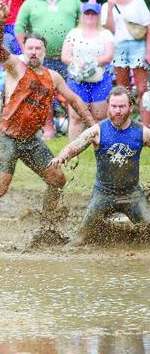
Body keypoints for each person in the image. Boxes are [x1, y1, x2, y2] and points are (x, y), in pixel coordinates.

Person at [0, 2, 95, 226]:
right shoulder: (15, 66)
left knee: (57, 179)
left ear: (44, 52)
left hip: (32, 141)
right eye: (30, 49)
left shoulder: (53, 77)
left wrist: (94, 126)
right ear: (24, 50)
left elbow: (74, 100)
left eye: (38, 49)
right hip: (7, 138)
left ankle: (48, 221)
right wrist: (2, 21)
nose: (33, 53)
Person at [50, 87, 150, 247]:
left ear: (131, 107)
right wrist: (61, 157)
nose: (117, 111)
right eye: (114, 106)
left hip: (132, 195)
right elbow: (74, 146)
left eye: (122, 107)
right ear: (108, 107)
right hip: (103, 195)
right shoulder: (97, 131)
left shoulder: (142, 132)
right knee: (78, 241)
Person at [15, 0, 81, 138]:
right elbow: (19, 27)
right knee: (45, 94)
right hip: (43, 58)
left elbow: (84, 23)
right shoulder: (31, 3)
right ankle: (48, 128)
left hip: (69, 58)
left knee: (71, 93)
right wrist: (27, 52)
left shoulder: (72, 1)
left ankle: (73, 128)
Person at [61, 0, 115, 140]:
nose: (90, 15)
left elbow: (109, 55)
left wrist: (92, 62)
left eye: (93, 13)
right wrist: (76, 61)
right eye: (87, 12)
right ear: (83, 15)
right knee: (76, 116)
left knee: (100, 115)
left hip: (100, 79)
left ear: (98, 15)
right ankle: (74, 150)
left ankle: (101, 147)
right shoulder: (74, 33)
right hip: (78, 80)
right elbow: (65, 55)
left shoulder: (106, 34)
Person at [103, 0, 150, 126]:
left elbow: (148, 25)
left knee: (142, 88)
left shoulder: (137, 2)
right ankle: (126, 124)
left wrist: (148, 49)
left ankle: (145, 125)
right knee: (123, 89)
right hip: (119, 46)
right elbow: (110, 29)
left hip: (138, 45)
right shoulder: (107, 5)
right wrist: (110, 8)